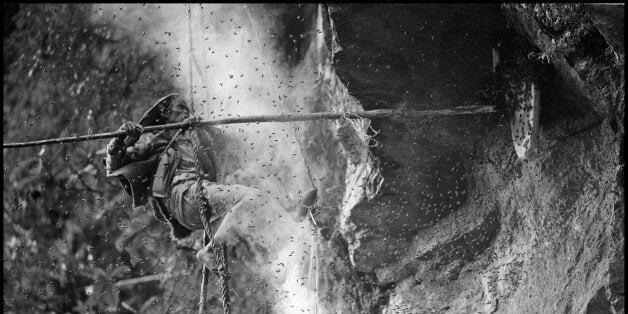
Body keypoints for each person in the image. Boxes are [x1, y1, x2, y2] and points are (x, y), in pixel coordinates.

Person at [103, 94, 270, 267]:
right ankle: (212, 250)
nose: (185, 111)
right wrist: (119, 138)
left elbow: (230, 145)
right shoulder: (154, 139)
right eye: (180, 107)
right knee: (252, 197)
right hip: (183, 195)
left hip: (199, 201)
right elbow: (115, 164)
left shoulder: (197, 138)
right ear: (167, 115)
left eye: (187, 109)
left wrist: (207, 127)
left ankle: (216, 248)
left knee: (257, 203)